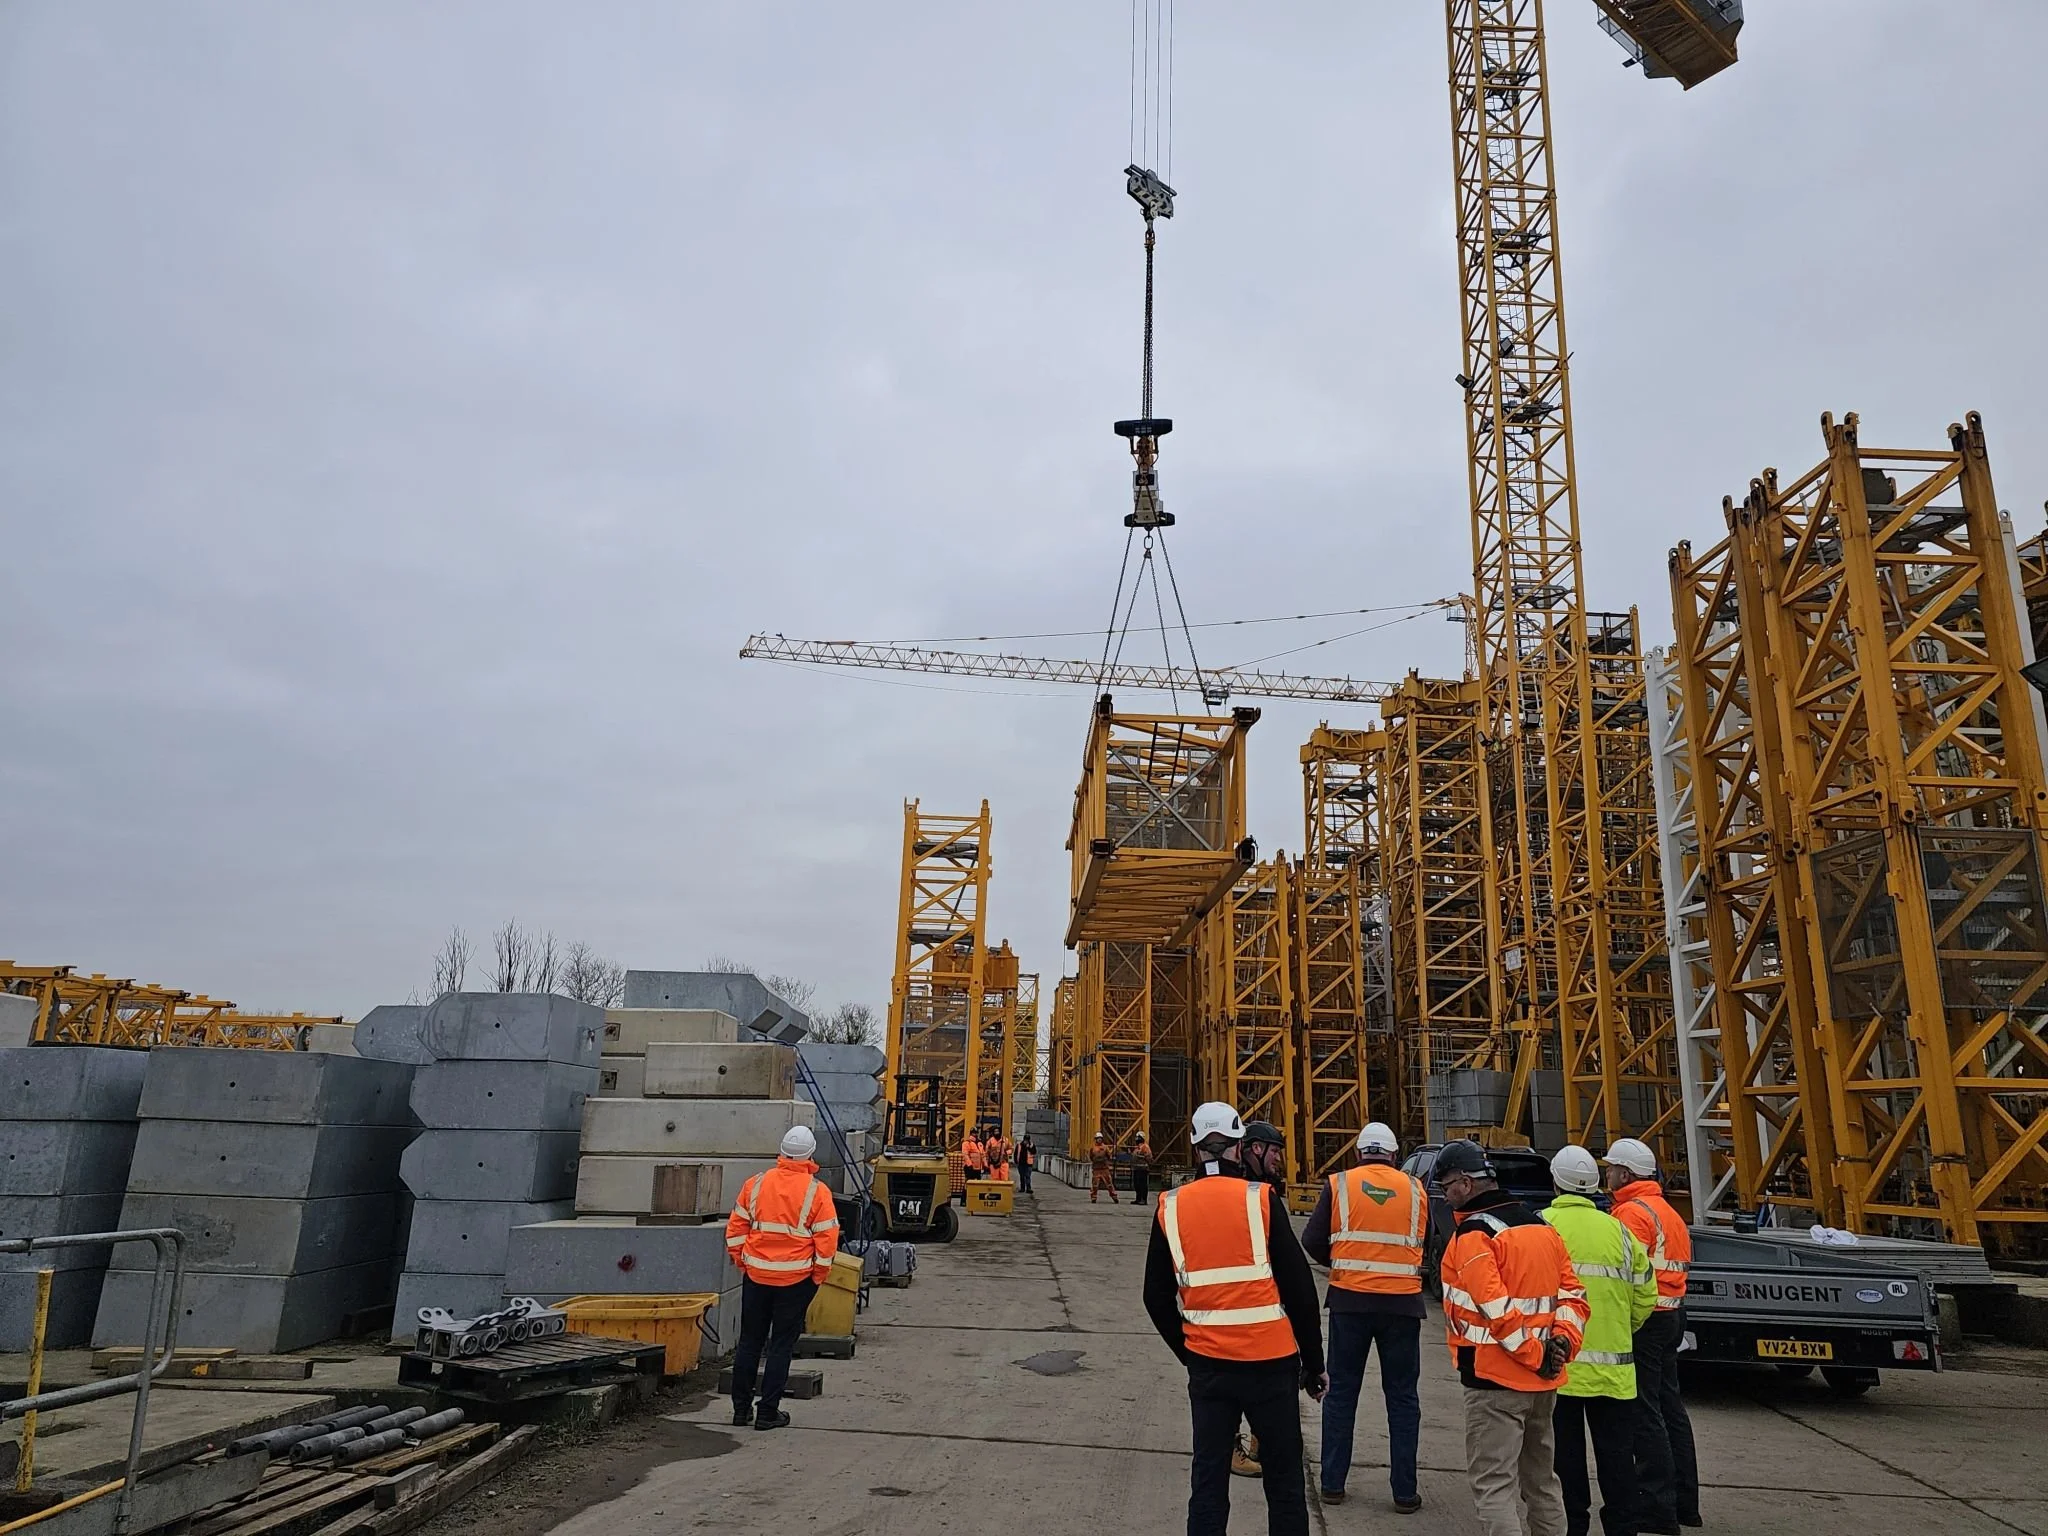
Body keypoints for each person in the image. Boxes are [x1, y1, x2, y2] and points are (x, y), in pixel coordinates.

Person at [1143, 1102, 1327, 1536]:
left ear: (1195, 1150)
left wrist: (1189, 1352)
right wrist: (1314, 1363)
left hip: (1209, 1367)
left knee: (1208, 1480)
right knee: (1284, 1482)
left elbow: (1154, 1296)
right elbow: (1301, 1291)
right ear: (1239, 1147)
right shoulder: (1261, 1200)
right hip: (1271, 1365)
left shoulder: (1170, 1206)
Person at [1437, 1138, 1590, 1536]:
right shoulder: (1541, 1227)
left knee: (1494, 1486)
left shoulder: (1474, 1235)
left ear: (1466, 1184)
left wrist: (1535, 1354)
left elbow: (1495, 1309)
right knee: (1542, 1483)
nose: (1445, 1194)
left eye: (1447, 1184)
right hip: (1543, 1383)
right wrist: (1563, 1344)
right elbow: (1574, 1295)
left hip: (1495, 1380)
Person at [1303, 1122, 1427, 1515]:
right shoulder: (1416, 1189)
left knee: (1340, 1393)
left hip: (1350, 1302)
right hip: (1402, 1307)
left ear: (1359, 1154)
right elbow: (1427, 1241)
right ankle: (1404, 1493)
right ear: (1393, 1156)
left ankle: (1333, 1486)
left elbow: (1310, 1240)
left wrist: (1342, 1266)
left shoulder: (1339, 1184)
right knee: (1403, 1398)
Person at [1544, 1146, 1659, 1536]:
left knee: (1565, 1461)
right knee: (1618, 1462)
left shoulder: (1542, 1226)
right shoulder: (1620, 1232)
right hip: (1615, 1374)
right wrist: (1622, 1329)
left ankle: (1573, 1526)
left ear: (1556, 1181)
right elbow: (1646, 1295)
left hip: (1560, 1369)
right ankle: (1621, 1529)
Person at [1602, 1139, 1699, 1534]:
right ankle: (1684, 1503)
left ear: (1625, 1174)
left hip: (1646, 1318)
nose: (1606, 1174)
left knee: (1645, 1412)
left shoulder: (1631, 1215)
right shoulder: (1665, 1211)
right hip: (1672, 1314)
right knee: (1669, 1407)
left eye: (1610, 1168)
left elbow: (1626, 1274)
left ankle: (1657, 1506)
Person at [725, 1125, 840, 1431]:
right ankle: (767, 1413)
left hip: (757, 1276)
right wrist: (817, 1276)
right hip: (796, 1281)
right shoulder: (817, 1192)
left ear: (782, 1150)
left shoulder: (756, 1184)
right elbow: (827, 1242)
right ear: (810, 1154)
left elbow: (736, 1230)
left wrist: (743, 1264)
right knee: (780, 1346)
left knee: (750, 1341)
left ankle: (740, 1410)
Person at [1228, 1120, 1291, 1479]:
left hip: (1262, 1301)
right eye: (1275, 1151)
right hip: (1237, 1300)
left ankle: (1256, 1441)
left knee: (1257, 1380)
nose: (1279, 1158)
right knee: (1234, 1381)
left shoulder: (1264, 1189)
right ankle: (1233, 1446)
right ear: (1255, 1149)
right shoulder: (1244, 1190)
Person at [1090, 1132, 1119, 1203]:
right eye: (1098, 1139)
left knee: (1109, 1184)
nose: (1099, 1140)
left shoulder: (1105, 1148)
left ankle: (1114, 1196)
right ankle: (1093, 1198)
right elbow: (1091, 1156)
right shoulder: (1092, 1148)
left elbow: (1109, 1156)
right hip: (1096, 1169)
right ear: (1096, 1139)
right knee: (1095, 1185)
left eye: (1100, 1139)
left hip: (1104, 1169)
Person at [1131, 1132, 1154, 1205]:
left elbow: (1149, 1158)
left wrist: (1149, 1165)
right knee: (1136, 1185)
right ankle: (1138, 1199)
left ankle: (1143, 1199)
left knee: (1143, 1185)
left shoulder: (1145, 1147)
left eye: (1138, 1138)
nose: (1137, 1140)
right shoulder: (1137, 1148)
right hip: (1136, 1169)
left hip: (1143, 1169)